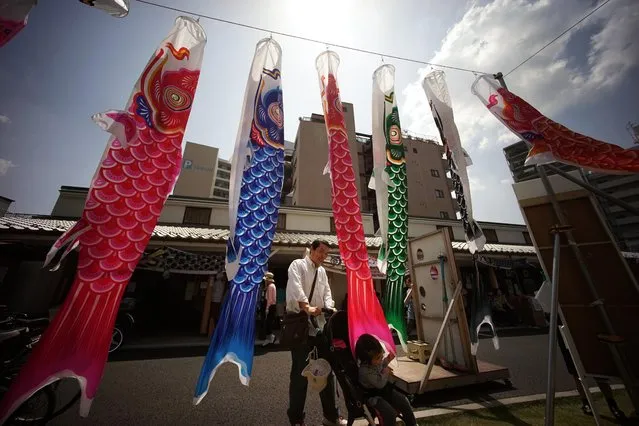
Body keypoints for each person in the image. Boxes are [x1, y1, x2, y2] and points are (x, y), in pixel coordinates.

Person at [286, 239, 345, 426]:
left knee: (326, 370)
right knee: (300, 374)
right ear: (311, 249)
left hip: (319, 326)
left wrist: (330, 307)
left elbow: (327, 293)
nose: (323, 255)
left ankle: (330, 416)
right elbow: (295, 288)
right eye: (320, 251)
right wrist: (307, 307)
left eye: (326, 253)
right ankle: (296, 418)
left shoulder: (322, 272)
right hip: (301, 326)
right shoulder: (298, 265)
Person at [355, 334, 416, 426]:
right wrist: (386, 373)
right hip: (374, 396)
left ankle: (412, 423)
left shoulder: (374, 363)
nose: (380, 359)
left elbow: (381, 366)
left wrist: (387, 360)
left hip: (384, 391)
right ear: (366, 360)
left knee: (404, 401)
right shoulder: (365, 371)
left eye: (381, 356)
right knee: (389, 413)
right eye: (378, 358)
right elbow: (380, 384)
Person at [262, 272, 278, 346]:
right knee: (268, 323)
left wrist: (267, 308)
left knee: (268, 323)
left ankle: (271, 337)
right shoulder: (272, 286)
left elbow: (269, 299)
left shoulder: (270, 286)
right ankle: (270, 338)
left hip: (270, 306)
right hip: (272, 306)